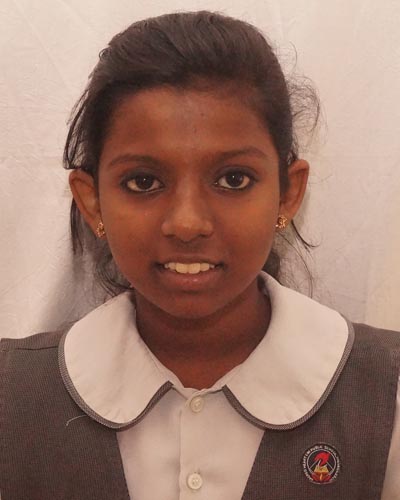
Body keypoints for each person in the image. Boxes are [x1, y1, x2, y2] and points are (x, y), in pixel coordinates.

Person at [1, 10, 399, 500]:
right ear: (92, 202)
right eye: (143, 182)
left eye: (233, 179)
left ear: (288, 194)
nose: (187, 223)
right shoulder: (12, 395)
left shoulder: (386, 395)